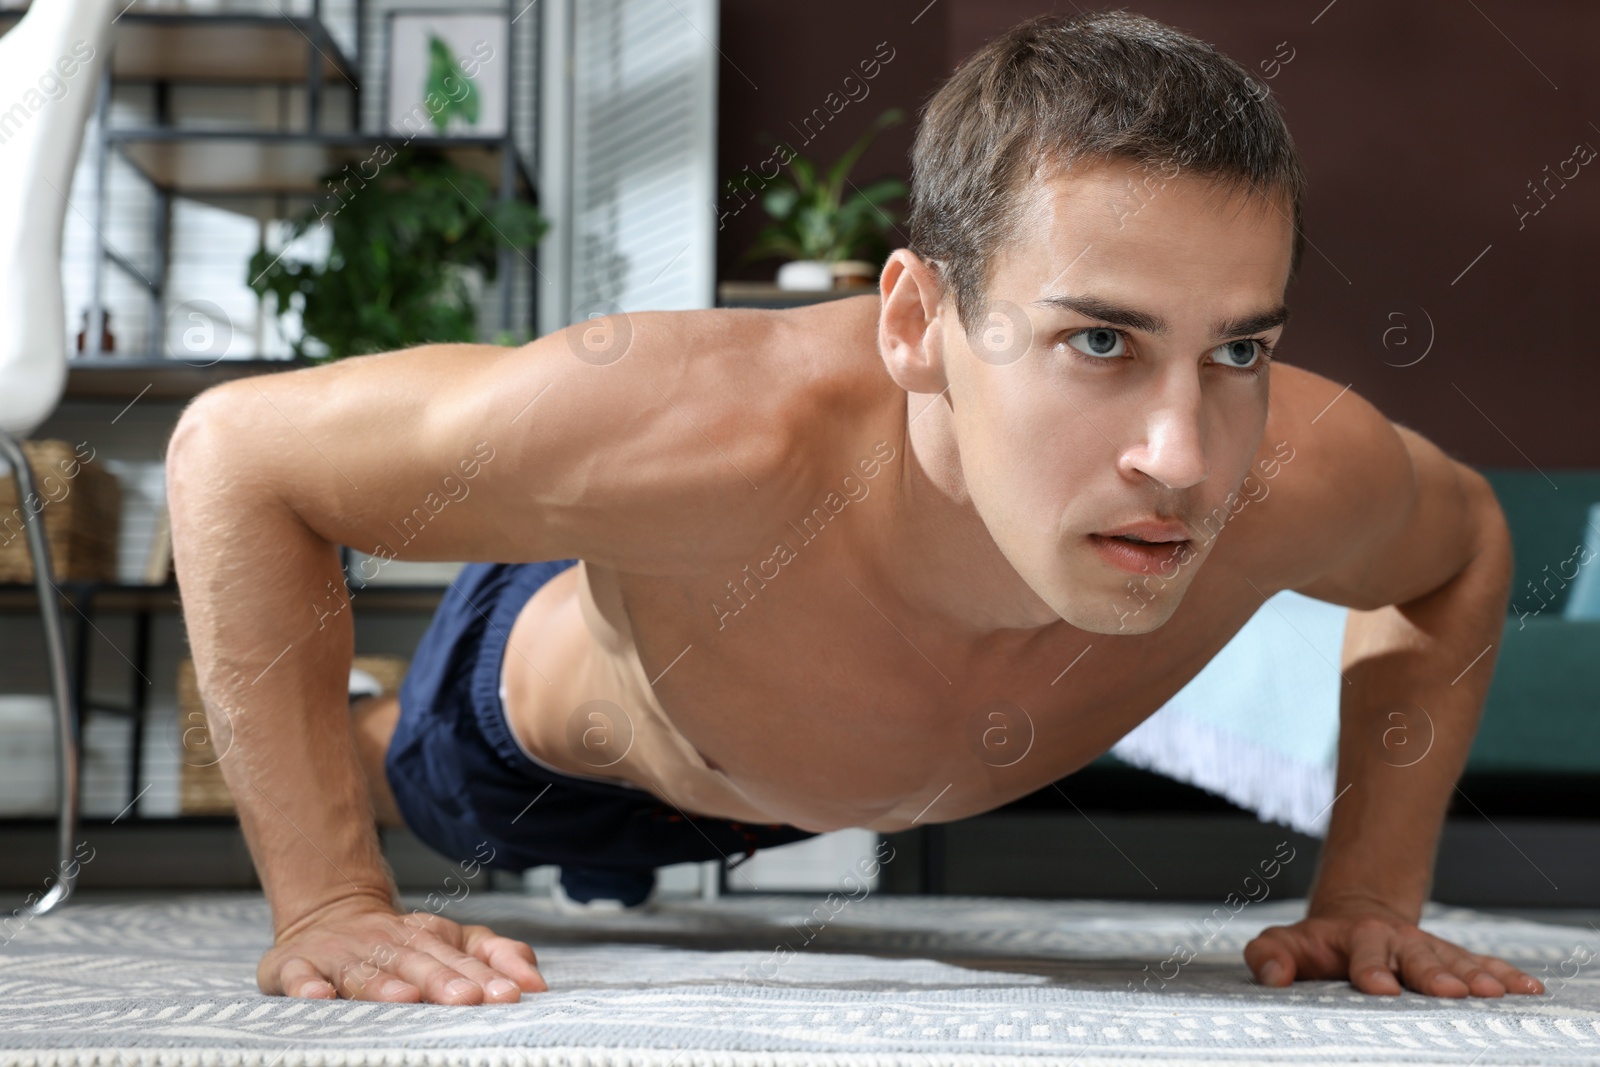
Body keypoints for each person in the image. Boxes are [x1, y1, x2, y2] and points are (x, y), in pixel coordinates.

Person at [167, 11, 1543, 1006]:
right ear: (916, 322)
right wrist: (332, 902)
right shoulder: (703, 428)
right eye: (1101, 343)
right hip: (565, 755)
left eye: (1239, 349)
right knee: (404, 763)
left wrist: (1366, 894)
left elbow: (1466, 545)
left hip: (815, 772)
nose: (1182, 460)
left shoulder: (1298, 470)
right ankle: (362, 723)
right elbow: (238, 453)